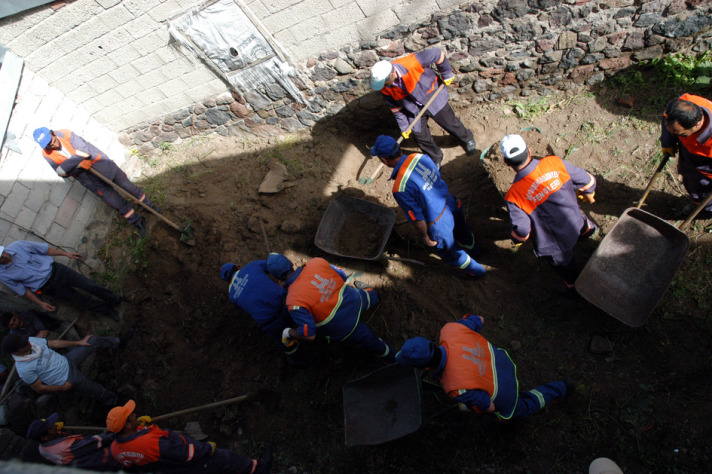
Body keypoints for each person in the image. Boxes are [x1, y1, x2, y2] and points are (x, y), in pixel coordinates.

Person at [396, 313, 570, 420]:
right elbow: (479, 319)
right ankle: (561, 387)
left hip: (506, 392)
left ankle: (560, 389)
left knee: (519, 409)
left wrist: (475, 407)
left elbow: (490, 407)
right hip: (505, 362)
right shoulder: (450, 330)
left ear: (426, 368)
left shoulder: (455, 386)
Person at [370, 135, 485, 278]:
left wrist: (424, 236)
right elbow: (436, 176)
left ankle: (477, 271)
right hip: (451, 202)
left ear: (384, 160)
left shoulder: (400, 187)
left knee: (451, 251)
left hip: (439, 222)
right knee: (463, 231)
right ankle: (475, 251)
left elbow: (417, 217)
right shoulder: (419, 157)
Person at [500, 134, 597, 289]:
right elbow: (587, 180)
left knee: (565, 266)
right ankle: (588, 233)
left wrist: (517, 239)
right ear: (529, 151)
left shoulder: (513, 195)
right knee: (582, 224)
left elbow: (523, 230)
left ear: (506, 162)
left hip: (555, 245)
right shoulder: (554, 162)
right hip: (575, 222)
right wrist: (588, 192)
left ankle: (574, 285)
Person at [266, 253, 395, 363]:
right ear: (290, 262)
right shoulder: (316, 263)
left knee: (371, 341)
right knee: (367, 296)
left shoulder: (293, 302)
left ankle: (392, 359)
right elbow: (342, 276)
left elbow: (309, 334)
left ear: (277, 279)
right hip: (352, 300)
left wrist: (290, 332)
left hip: (343, 326)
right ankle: (374, 296)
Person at [32, 127, 158, 238]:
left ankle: (148, 205)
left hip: (104, 166)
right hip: (90, 180)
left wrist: (69, 165)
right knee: (116, 203)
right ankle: (138, 221)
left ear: (53, 133)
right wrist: (78, 164)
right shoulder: (47, 154)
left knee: (129, 187)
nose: (52, 145)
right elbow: (61, 173)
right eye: (48, 145)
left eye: (52, 141)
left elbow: (83, 152)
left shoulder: (66, 134)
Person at [370, 48, 477, 167]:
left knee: (449, 122)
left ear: (392, 74)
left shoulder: (410, 63)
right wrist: (404, 126)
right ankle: (435, 158)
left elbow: (438, 54)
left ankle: (467, 139)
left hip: (432, 97)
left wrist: (446, 73)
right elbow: (395, 108)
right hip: (413, 109)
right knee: (420, 136)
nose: (384, 86)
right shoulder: (385, 88)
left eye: (385, 83)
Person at [107, 399, 272, 473]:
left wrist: (143, 427)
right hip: (192, 463)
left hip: (169, 469)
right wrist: (206, 448)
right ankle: (259, 468)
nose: (135, 414)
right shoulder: (151, 443)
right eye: (132, 416)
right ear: (128, 425)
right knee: (227, 459)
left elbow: (138, 454)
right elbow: (186, 453)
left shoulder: (115, 449)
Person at [0, 240, 121, 320]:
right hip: (48, 287)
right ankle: (107, 311)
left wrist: (65, 254)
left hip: (58, 271)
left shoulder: (18, 246)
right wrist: (40, 303)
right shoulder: (3, 274)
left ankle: (113, 299)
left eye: (3, 252)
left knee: (90, 285)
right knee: (81, 301)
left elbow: (44, 249)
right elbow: (22, 291)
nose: (5, 256)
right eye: (1, 258)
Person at [220, 261, 305, 365]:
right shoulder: (251, 266)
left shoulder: (232, 296)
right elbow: (271, 265)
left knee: (285, 341)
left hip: (271, 323)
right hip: (286, 303)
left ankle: (299, 361)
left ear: (227, 281)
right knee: (305, 317)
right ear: (238, 267)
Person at [1, 333, 121, 406]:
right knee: (95, 389)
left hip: (66, 360)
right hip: (65, 378)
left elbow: (54, 343)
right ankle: (115, 401)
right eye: (24, 344)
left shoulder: (31, 341)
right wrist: (63, 387)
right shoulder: (24, 368)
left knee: (92, 341)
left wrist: (79, 342)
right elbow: (39, 388)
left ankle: (118, 342)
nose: (28, 343)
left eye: (25, 341)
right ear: (15, 351)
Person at [660, 94, 712, 216]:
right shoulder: (684, 103)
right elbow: (666, 117)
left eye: (681, 134)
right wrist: (668, 141)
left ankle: (705, 210)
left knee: (704, 191)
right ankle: (696, 200)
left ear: (697, 125)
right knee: (689, 178)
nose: (674, 134)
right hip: (689, 154)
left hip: (706, 166)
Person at [27, 412, 122, 471]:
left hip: (76, 463)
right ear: (44, 437)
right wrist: (116, 432)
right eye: (52, 427)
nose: (55, 425)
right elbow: (95, 442)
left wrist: (57, 432)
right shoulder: (68, 446)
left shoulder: (42, 449)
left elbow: (54, 440)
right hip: (93, 459)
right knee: (117, 455)